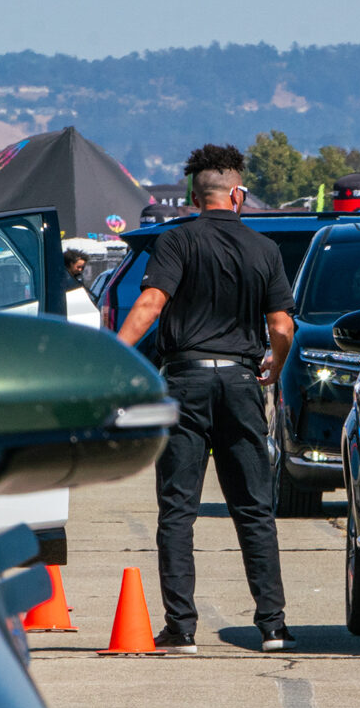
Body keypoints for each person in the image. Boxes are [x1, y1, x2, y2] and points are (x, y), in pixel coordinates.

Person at [115, 143, 296, 654]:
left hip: (186, 382)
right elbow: (282, 326)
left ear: (196, 197)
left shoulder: (175, 242)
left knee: (178, 508)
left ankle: (182, 629)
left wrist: (111, 354)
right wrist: (274, 364)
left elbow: (150, 303)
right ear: (236, 195)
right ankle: (273, 626)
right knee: (254, 507)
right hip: (241, 382)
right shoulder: (265, 250)